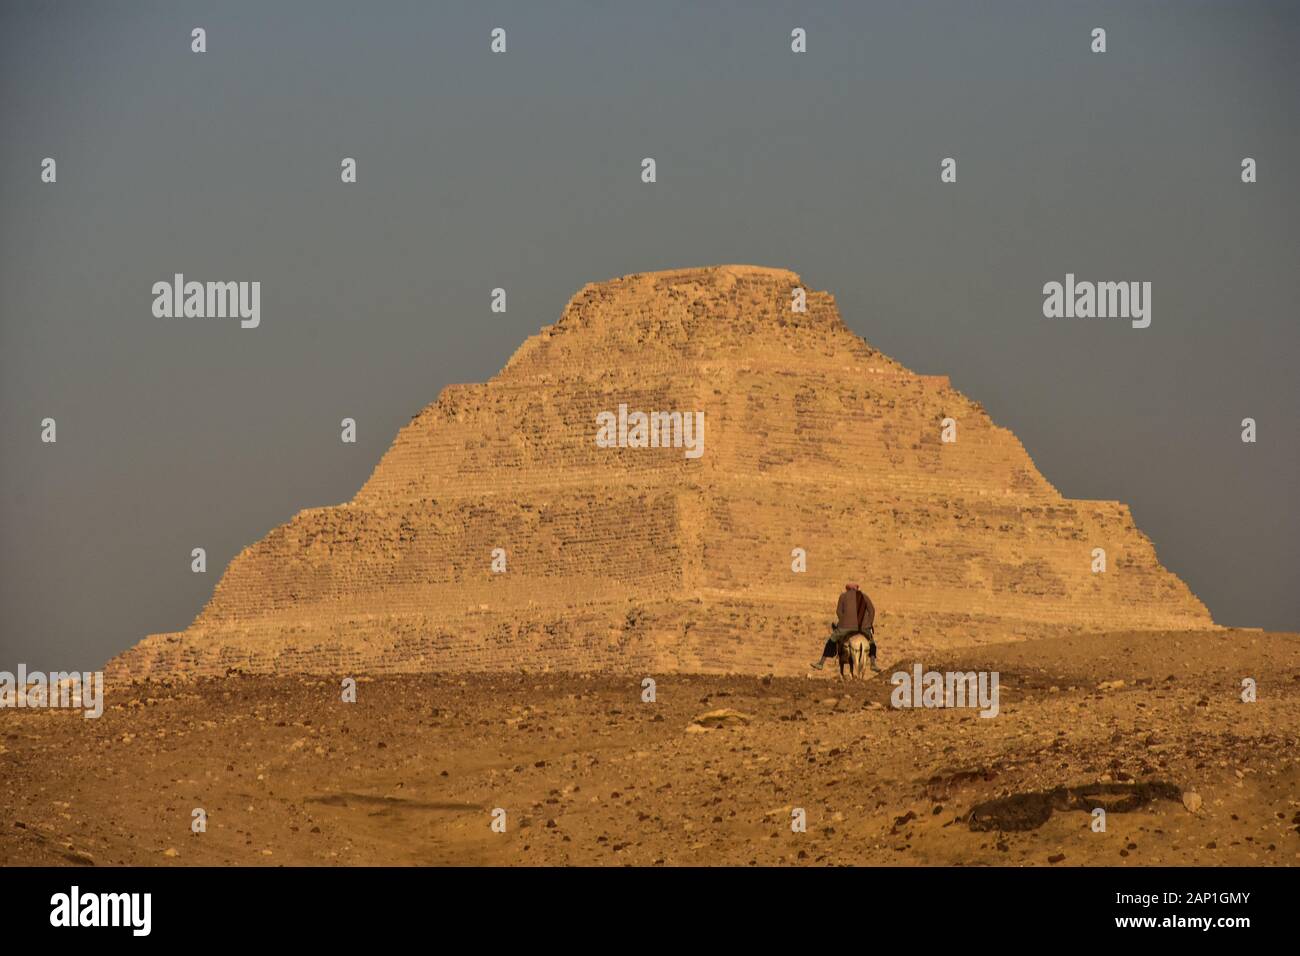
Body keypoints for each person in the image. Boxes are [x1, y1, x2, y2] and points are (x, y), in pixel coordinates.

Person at [810, 583, 877, 670]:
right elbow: (872, 610)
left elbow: (838, 611)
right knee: (872, 643)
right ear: (857, 589)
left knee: (832, 639)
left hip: (845, 626)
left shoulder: (843, 596)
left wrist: (843, 621)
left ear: (847, 589)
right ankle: (873, 663)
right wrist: (869, 623)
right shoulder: (864, 596)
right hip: (863, 626)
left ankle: (821, 663)